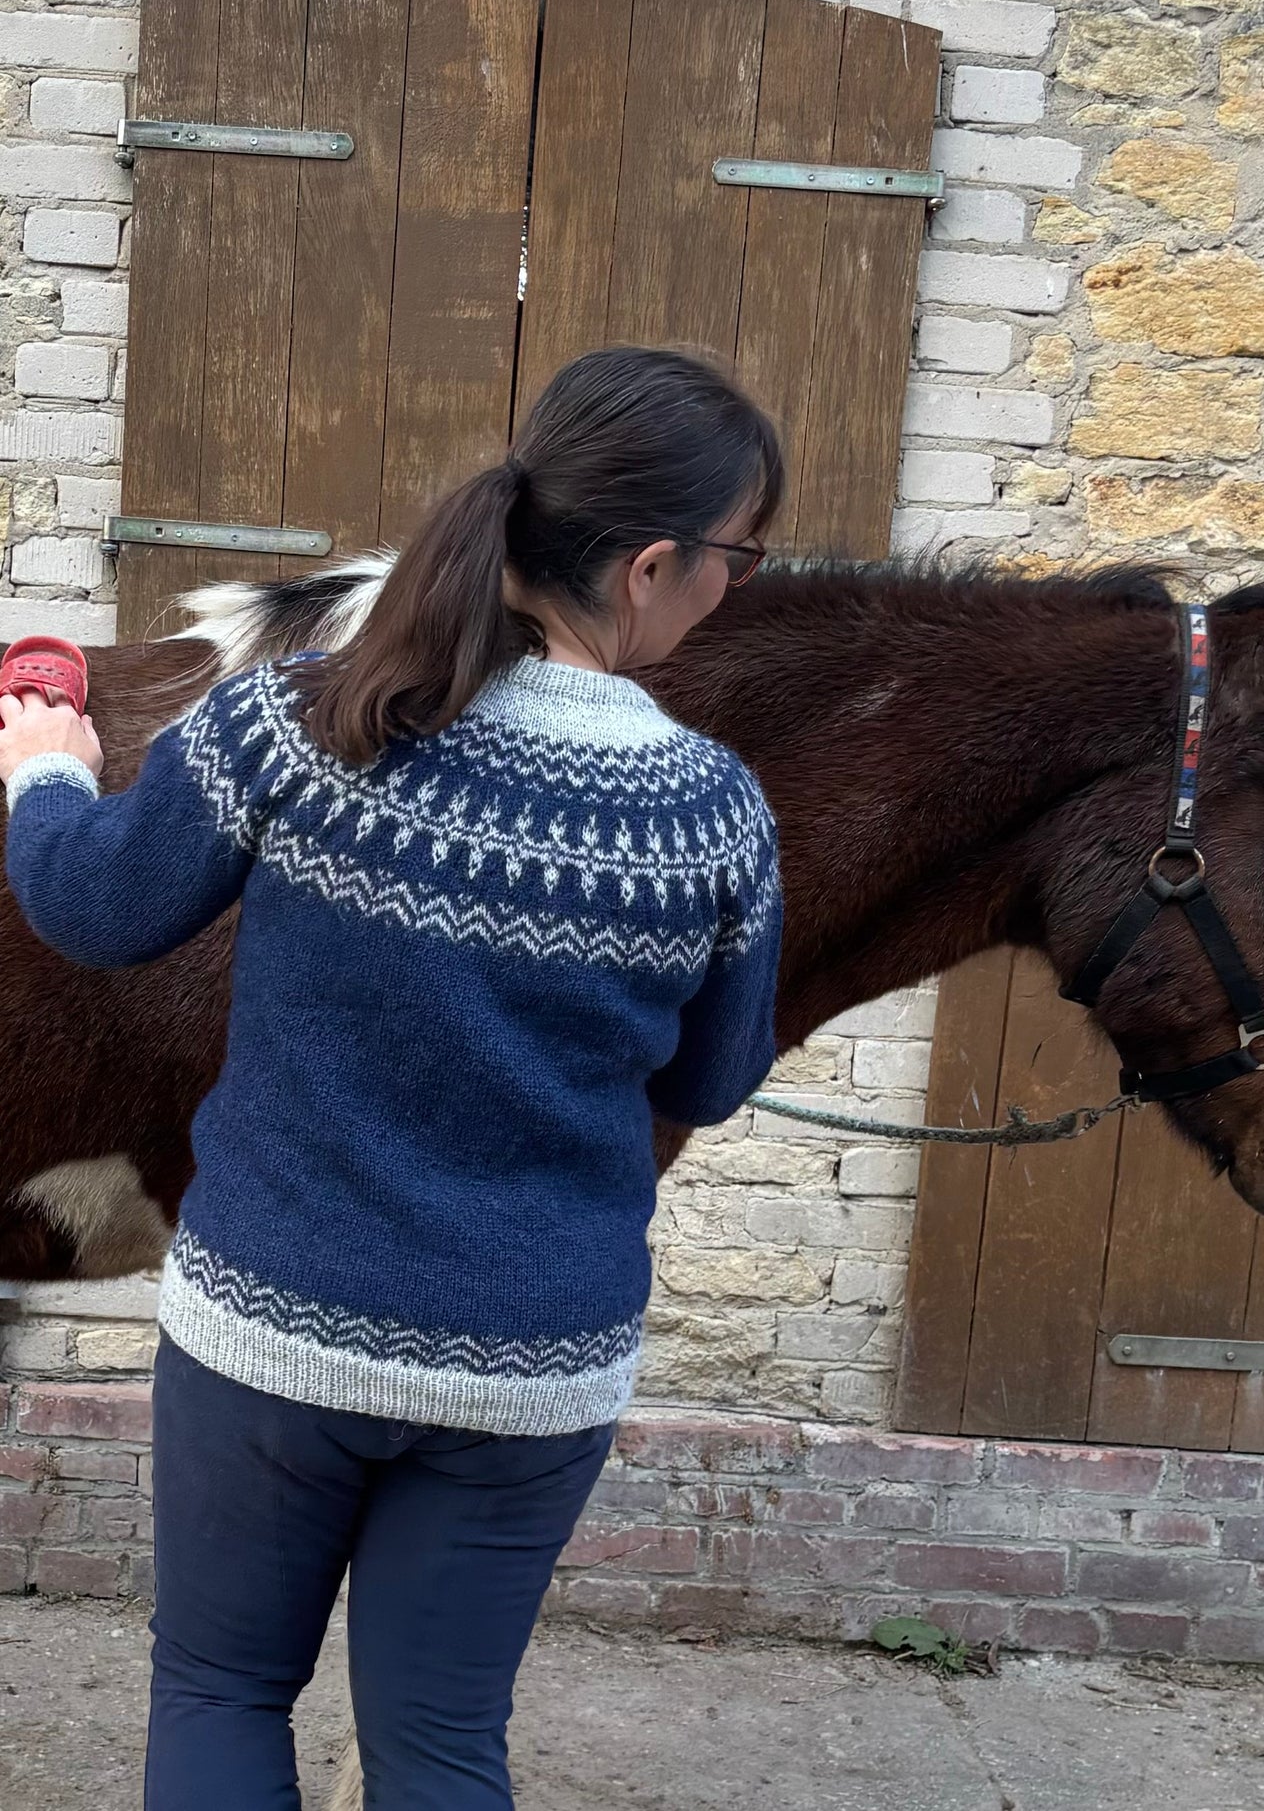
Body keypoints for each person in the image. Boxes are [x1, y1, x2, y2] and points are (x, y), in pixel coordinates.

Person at [0, 346, 785, 1810]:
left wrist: (44, 765)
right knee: (441, 1747)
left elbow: (93, 907)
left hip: (269, 1335)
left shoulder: (296, 724)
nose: (733, 590)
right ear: (651, 568)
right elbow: (718, 1075)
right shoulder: (713, 814)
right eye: (740, 560)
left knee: (221, 1694)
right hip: (533, 1371)